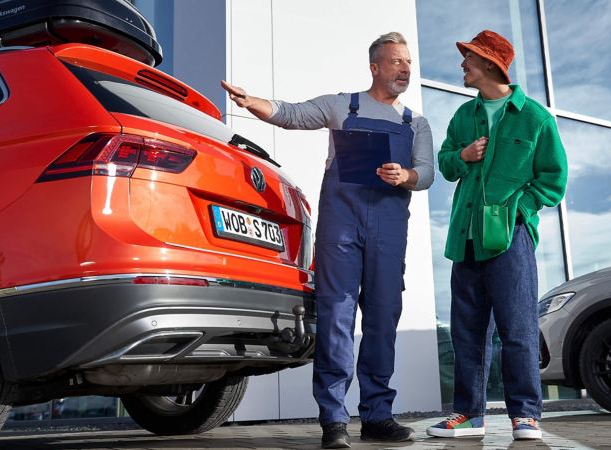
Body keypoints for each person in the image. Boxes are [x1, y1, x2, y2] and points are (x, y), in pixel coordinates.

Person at [221, 32, 433, 449]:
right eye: (396, 62)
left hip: (389, 227)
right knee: (337, 316)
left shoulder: (416, 123)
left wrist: (405, 176)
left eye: (408, 62)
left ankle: (377, 416)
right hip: (342, 224)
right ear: (375, 67)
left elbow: (426, 172)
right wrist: (252, 103)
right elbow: (292, 113)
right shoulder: (343, 105)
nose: (405, 69)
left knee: (382, 320)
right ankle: (333, 420)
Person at [426, 30, 567, 440]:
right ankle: (468, 415)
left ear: (490, 64)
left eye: (468, 59)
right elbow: (447, 165)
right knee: (466, 331)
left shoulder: (535, 118)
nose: (462, 66)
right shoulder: (462, 117)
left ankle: (526, 414)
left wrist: (520, 208)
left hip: (511, 237)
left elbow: (553, 180)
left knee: (517, 329)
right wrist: (463, 155)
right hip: (466, 236)